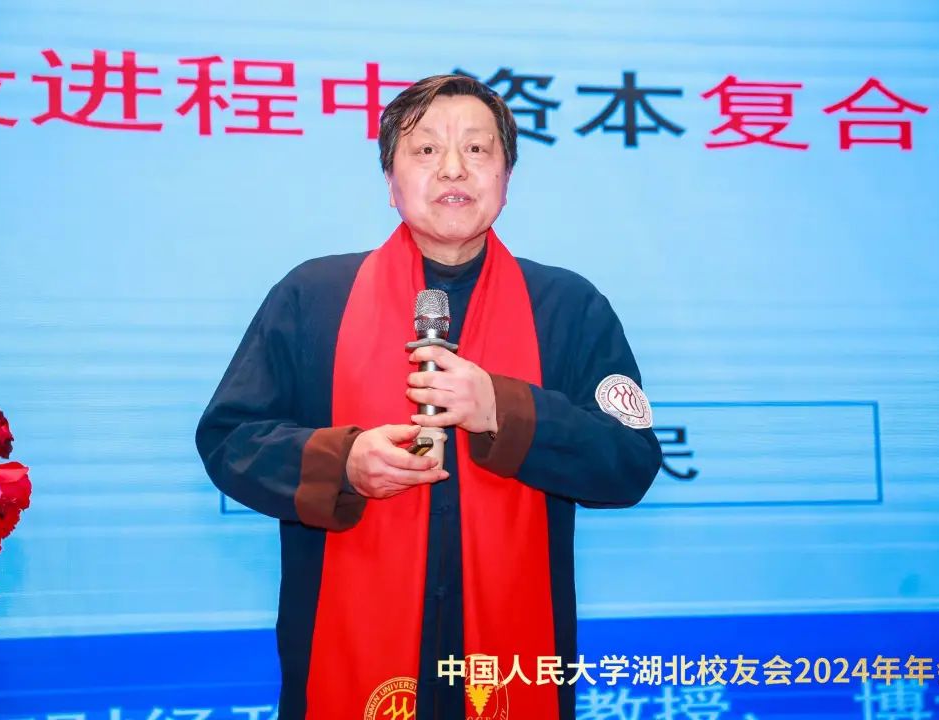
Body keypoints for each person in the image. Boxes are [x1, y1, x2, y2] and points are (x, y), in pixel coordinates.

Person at [195, 74, 662, 720]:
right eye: (425, 150)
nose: (452, 168)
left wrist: (502, 410)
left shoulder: (570, 309)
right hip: (345, 656)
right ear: (390, 181)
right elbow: (229, 440)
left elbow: (631, 462)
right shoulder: (312, 299)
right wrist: (343, 462)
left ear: (506, 177)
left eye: (477, 149)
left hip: (510, 668)